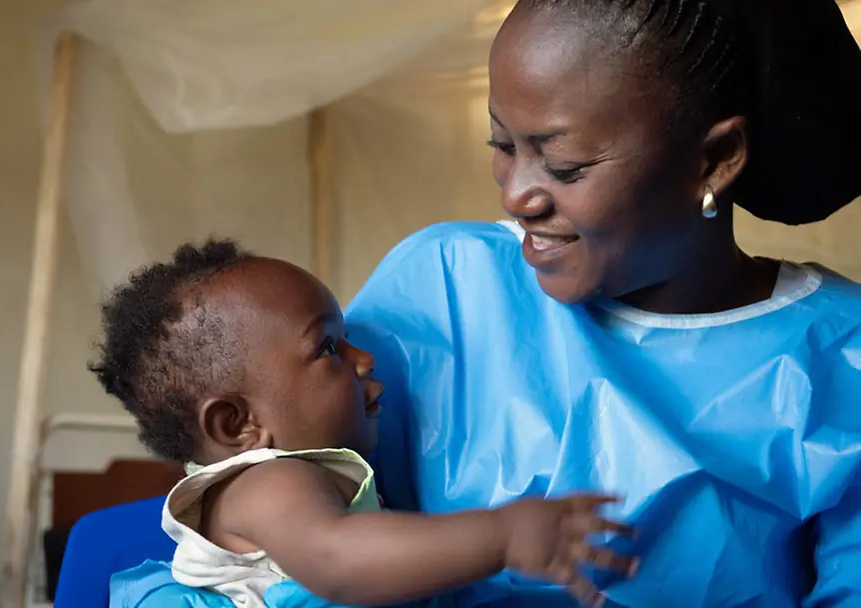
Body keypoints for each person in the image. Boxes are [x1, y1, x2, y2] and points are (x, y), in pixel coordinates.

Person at [340, 1, 861, 606]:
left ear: (715, 160)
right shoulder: (444, 286)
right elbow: (282, 497)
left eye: (564, 166)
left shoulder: (841, 361)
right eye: (503, 144)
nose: (515, 195)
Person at [93, 240, 639, 608]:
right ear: (239, 424)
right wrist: (503, 536)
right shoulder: (266, 482)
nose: (365, 359)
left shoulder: (301, 474)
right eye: (329, 346)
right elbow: (336, 556)